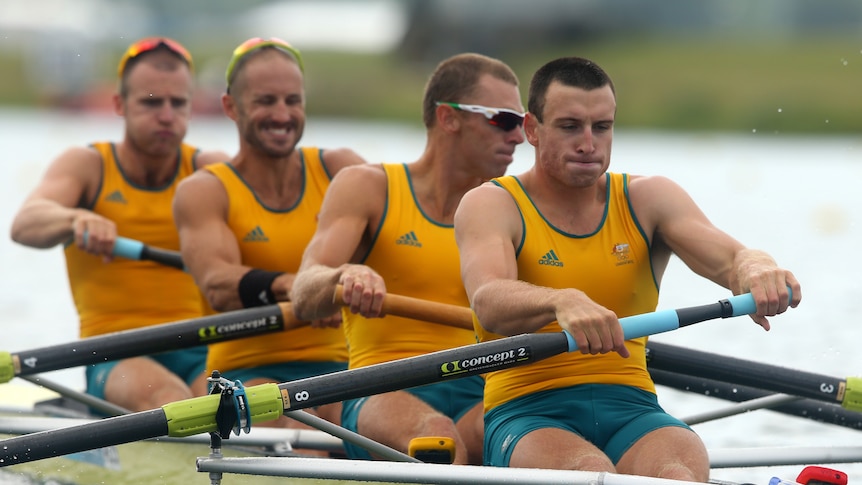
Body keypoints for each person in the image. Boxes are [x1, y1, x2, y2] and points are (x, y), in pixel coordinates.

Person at [452, 56, 802, 481]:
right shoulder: (492, 203)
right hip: (528, 410)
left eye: (602, 126)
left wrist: (758, 268)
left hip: (632, 407)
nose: (589, 143)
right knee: (588, 471)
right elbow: (488, 299)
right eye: (569, 126)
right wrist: (561, 300)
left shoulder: (647, 198)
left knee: (676, 472)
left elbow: (733, 258)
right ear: (531, 129)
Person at [290, 53, 525, 465]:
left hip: (481, 391)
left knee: (550, 439)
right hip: (379, 388)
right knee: (438, 439)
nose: (519, 136)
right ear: (448, 118)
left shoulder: (514, 208)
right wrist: (345, 275)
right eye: (503, 120)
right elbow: (304, 293)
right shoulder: (368, 187)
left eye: (523, 122)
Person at [9, 37, 228, 412]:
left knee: (234, 406)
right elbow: (25, 224)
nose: (166, 115)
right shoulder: (89, 165)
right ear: (118, 104)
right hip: (112, 353)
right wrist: (76, 217)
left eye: (178, 103)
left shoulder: (210, 170)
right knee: (171, 399)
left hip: (199, 348)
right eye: (151, 102)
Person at [172, 38, 366, 435]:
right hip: (248, 375)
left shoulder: (342, 172)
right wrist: (300, 287)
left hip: (348, 370)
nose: (282, 114)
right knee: (311, 442)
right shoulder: (206, 190)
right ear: (231, 107)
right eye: (265, 101)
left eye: (292, 101)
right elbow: (218, 285)